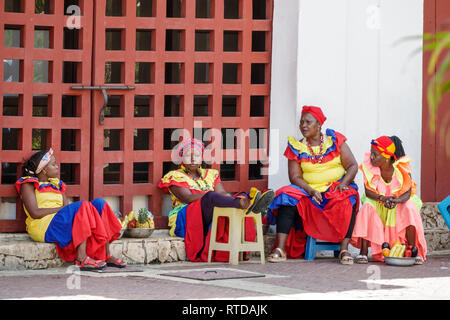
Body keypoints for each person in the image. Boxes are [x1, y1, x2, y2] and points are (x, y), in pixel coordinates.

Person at [266, 106, 359, 264]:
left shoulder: (335, 141)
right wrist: (310, 190)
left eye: (308, 122)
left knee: (348, 196)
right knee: (286, 195)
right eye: (301, 122)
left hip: (334, 190)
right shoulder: (296, 146)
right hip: (309, 194)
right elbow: (294, 177)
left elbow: (353, 166)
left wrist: (343, 184)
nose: (303, 126)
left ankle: (344, 249)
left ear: (319, 124)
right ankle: (280, 249)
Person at [158, 138, 275, 262]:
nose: (193, 159)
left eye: (197, 155)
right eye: (188, 155)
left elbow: (222, 193)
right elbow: (188, 198)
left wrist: (228, 198)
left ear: (202, 157)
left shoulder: (211, 174)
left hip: (210, 213)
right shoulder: (175, 176)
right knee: (211, 196)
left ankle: (245, 201)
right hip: (186, 217)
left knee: (230, 196)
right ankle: (245, 203)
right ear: (181, 157)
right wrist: (212, 196)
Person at [16, 148, 126, 270]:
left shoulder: (57, 184)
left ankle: (106, 255)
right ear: (45, 170)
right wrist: (60, 210)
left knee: (100, 204)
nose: (57, 167)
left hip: (60, 222)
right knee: (83, 205)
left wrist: (62, 210)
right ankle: (81, 258)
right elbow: (35, 213)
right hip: (44, 226)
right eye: (53, 165)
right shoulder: (28, 185)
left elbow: (66, 208)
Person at [351, 136, 427, 264]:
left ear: (386, 157)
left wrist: (396, 201)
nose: (371, 157)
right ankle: (363, 252)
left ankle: (413, 250)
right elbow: (368, 191)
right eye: (371, 153)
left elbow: (407, 191)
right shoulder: (370, 168)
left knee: (409, 207)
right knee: (367, 207)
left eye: (375, 155)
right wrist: (382, 198)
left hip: (398, 202)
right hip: (378, 201)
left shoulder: (401, 168)